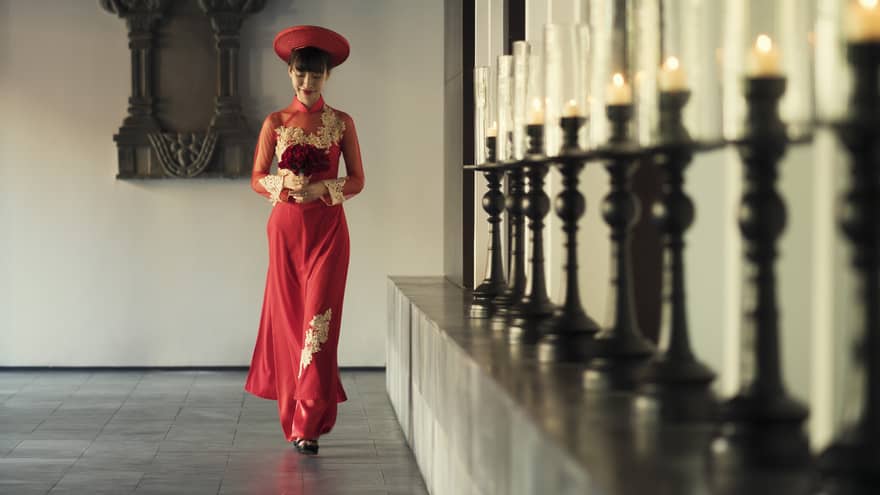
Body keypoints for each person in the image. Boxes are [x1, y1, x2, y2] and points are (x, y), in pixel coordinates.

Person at [244, 25, 365, 456]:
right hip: (285, 231)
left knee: (319, 322)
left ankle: (308, 423)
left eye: (315, 75)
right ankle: (291, 416)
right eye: (300, 73)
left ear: (327, 77)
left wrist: (323, 189)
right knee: (290, 325)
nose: (306, 82)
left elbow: (358, 180)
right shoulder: (275, 123)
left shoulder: (341, 122)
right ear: (290, 72)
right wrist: (284, 181)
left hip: (329, 231)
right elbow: (257, 179)